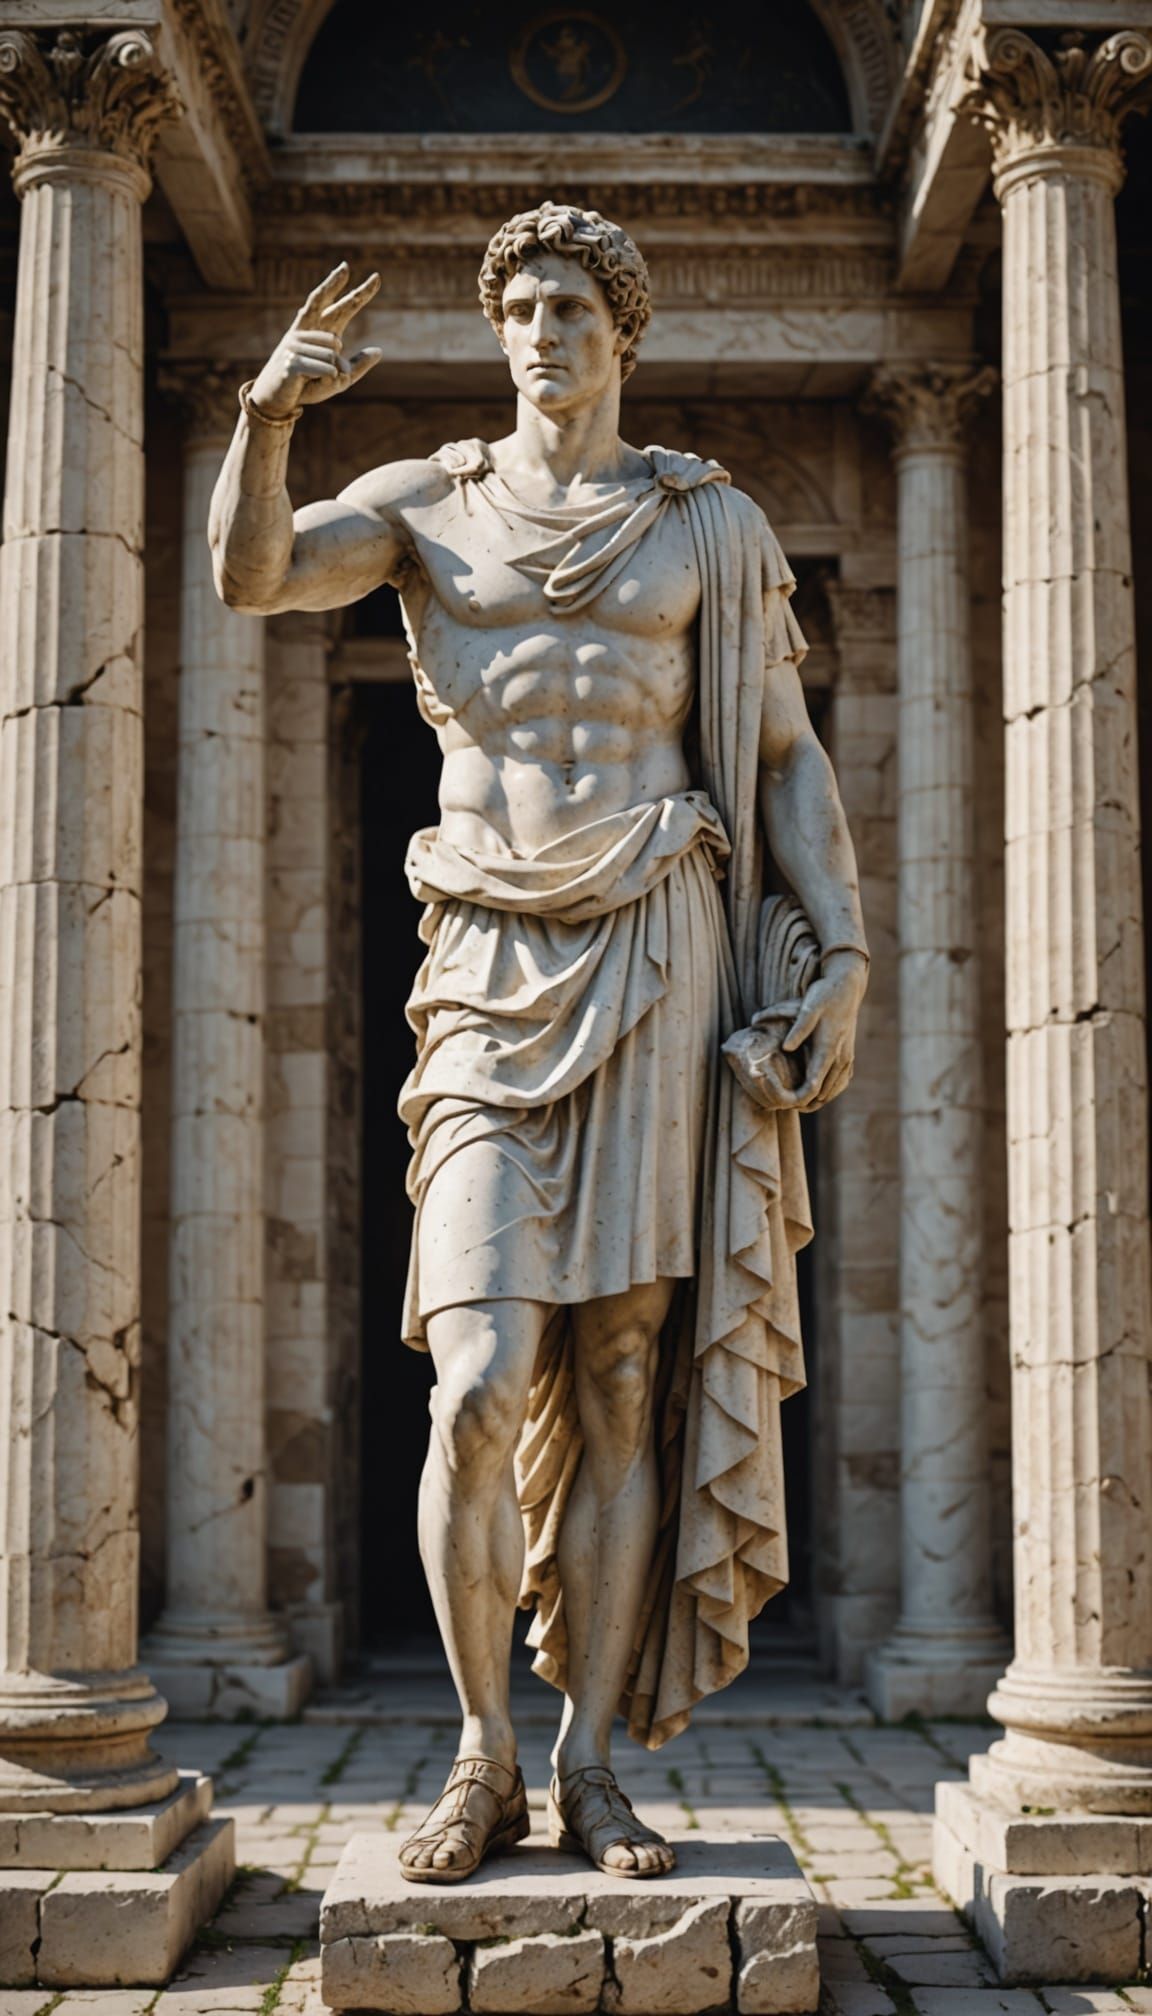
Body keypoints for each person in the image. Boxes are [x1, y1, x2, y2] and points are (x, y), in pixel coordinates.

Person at [209, 201, 868, 1885]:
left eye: (572, 305)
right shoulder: (430, 506)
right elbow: (258, 574)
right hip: (492, 955)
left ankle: (587, 1768)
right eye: (520, 307)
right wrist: (269, 413)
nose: (543, 333)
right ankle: (478, 1751)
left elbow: (781, 756)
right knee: (485, 1376)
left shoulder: (701, 523)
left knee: (631, 1369)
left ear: (624, 331)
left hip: (659, 940)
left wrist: (844, 951)